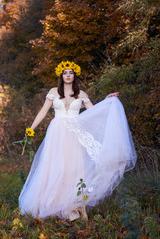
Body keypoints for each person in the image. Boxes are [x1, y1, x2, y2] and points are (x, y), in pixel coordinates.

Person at [19, 61, 137, 221]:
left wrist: (107, 100)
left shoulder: (81, 94)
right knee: (55, 167)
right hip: (57, 133)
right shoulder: (54, 91)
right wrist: (31, 129)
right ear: (61, 75)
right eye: (65, 72)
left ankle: (72, 206)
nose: (68, 75)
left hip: (74, 134)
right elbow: (43, 111)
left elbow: (94, 112)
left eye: (71, 73)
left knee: (73, 168)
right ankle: (50, 204)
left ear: (74, 75)